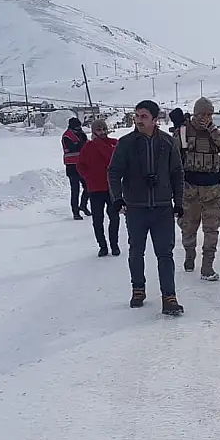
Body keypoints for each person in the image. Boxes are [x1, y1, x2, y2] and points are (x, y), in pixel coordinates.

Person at [108, 100, 186, 316]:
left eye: (143, 116)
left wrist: (178, 202)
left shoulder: (168, 143)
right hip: (136, 208)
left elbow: (177, 174)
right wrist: (118, 199)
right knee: (136, 251)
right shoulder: (125, 144)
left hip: (162, 208)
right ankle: (138, 288)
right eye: (137, 116)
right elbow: (113, 172)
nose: (139, 120)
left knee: (165, 253)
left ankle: (169, 297)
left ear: (154, 119)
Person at [176, 97, 220, 281]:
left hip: (212, 189)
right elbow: (173, 158)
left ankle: (207, 266)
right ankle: (189, 256)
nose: (206, 117)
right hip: (190, 189)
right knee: (188, 228)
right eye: (202, 114)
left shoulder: (217, 132)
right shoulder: (184, 131)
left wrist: (213, 131)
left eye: (209, 114)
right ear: (195, 113)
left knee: (212, 229)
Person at [76, 118, 121, 257]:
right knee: (97, 219)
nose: (102, 132)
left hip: (111, 188)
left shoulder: (114, 144)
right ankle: (102, 246)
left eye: (104, 129)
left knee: (114, 217)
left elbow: (113, 158)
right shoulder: (88, 147)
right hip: (95, 189)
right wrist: (88, 178)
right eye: (99, 130)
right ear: (94, 131)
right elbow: (80, 166)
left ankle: (114, 245)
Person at [61, 117, 91, 220]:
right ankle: (75, 212)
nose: (78, 129)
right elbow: (73, 148)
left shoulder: (81, 134)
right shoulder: (66, 136)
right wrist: (82, 143)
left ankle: (83, 205)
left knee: (88, 187)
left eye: (79, 126)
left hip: (83, 165)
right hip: (72, 166)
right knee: (75, 190)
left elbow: (86, 145)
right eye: (76, 127)